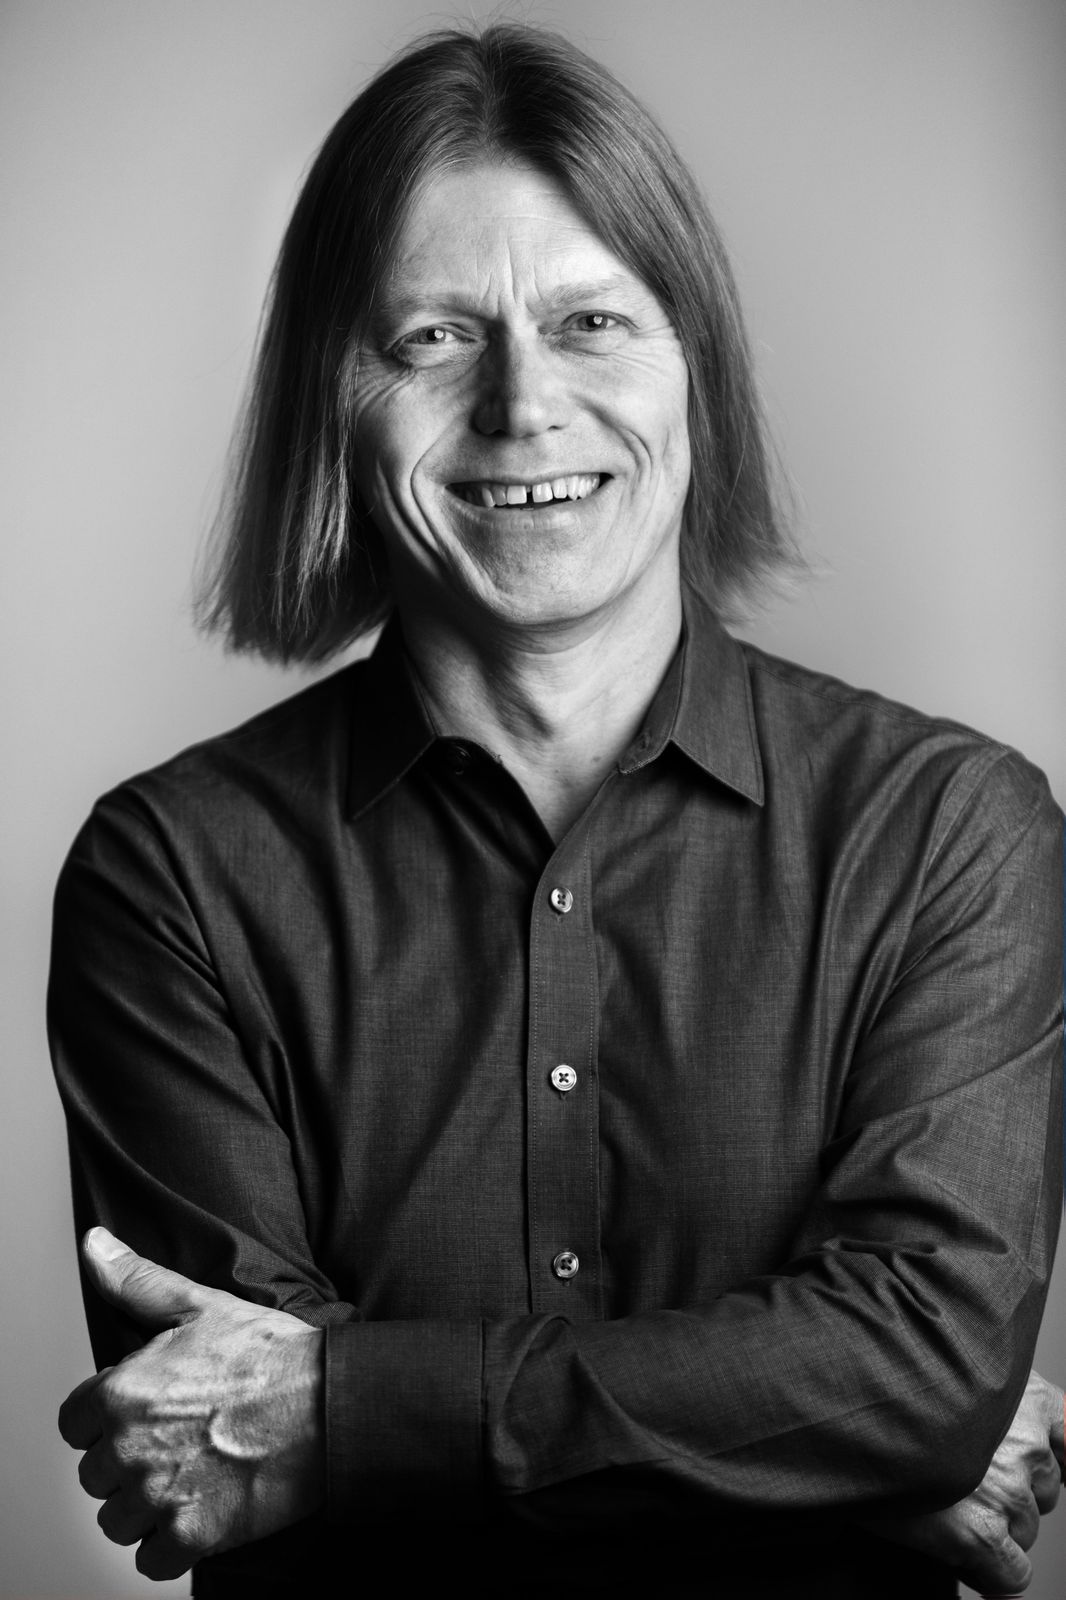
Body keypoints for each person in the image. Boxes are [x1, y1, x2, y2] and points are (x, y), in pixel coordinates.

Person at [49, 24, 1063, 1599]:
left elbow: (919, 1369)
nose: (524, 403)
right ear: (333, 395)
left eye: (592, 321)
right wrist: (841, 1444)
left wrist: (343, 1407)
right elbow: (222, 1441)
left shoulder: (946, 831)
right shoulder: (175, 875)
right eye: (433, 337)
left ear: (692, 365)